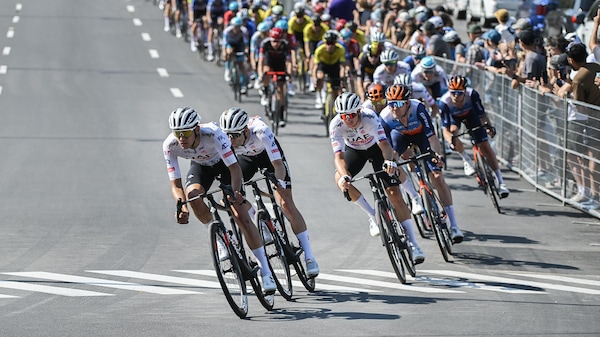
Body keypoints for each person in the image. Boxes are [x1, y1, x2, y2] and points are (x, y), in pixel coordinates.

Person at [162, 107, 277, 293]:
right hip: (201, 167)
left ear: (196, 129)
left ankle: (265, 271)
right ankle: (220, 240)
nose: (181, 138)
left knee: (238, 212)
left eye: (185, 133)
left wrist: (236, 192)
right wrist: (181, 206)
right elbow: (176, 185)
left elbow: (235, 169)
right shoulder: (170, 145)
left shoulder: (214, 135)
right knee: (192, 197)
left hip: (226, 165)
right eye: (177, 133)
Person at [219, 107, 320, 276]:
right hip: (245, 160)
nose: (231, 139)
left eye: (235, 135)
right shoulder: (227, 141)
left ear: (245, 130)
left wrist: (278, 183)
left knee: (285, 202)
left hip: (269, 157)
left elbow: (278, 165)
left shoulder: (261, 131)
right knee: (234, 197)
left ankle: (310, 257)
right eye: (227, 135)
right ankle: (262, 224)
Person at [330, 92, 426, 263]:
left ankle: (413, 243)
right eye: (344, 116)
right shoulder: (336, 124)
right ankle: (372, 215)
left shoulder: (369, 118)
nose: (348, 119)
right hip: (356, 151)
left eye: (351, 114)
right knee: (339, 178)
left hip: (377, 149)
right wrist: (345, 176)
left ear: (359, 111)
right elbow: (339, 157)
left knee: (394, 193)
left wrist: (389, 162)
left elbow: (385, 145)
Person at [379, 84, 465, 244]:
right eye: (390, 103)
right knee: (393, 163)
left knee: (438, 177)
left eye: (397, 104)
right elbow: (388, 148)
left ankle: (453, 225)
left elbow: (432, 138)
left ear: (407, 103)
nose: (393, 108)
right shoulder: (385, 117)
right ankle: (412, 194)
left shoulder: (418, 109)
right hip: (400, 137)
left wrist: (437, 155)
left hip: (421, 136)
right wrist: (391, 162)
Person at [438, 75, 510, 198]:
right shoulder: (445, 102)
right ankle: (466, 159)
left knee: (485, 146)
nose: (455, 95)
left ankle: (501, 182)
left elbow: (482, 116)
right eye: (453, 92)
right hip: (455, 118)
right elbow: (445, 130)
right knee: (454, 132)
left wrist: (488, 127)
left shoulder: (472, 95)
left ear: (465, 91)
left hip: (471, 115)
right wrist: (451, 141)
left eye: (459, 92)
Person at [566, 43, 600, 209]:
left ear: (571, 60)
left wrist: (570, 98)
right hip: (595, 119)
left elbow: (581, 108)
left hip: (594, 120)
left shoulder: (578, 79)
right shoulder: (596, 66)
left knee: (592, 159)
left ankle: (595, 197)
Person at [258, 27, 292, 126]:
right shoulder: (265, 44)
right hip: (270, 63)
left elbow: (289, 61)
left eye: (278, 41)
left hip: (281, 64)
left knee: (281, 89)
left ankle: (280, 115)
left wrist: (289, 74)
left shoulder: (285, 45)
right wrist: (260, 74)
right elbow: (261, 61)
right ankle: (265, 90)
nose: (275, 44)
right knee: (266, 72)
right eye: (273, 41)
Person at [313, 30, 347, 109]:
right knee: (320, 77)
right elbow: (315, 68)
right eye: (328, 43)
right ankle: (319, 97)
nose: (330, 46)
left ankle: (335, 109)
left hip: (334, 66)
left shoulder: (340, 49)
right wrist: (315, 80)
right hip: (323, 65)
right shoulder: (319, 50)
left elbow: (342, 67)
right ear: (325, 43)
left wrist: (342, 79)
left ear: (335, 43)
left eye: (332, 43)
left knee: (336, 91)